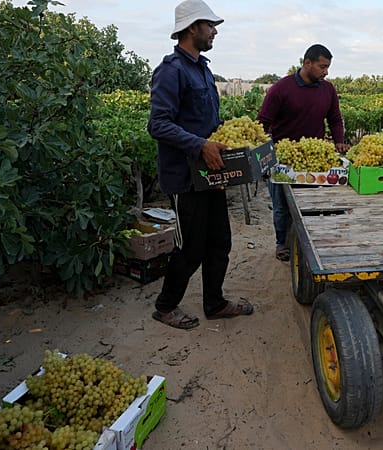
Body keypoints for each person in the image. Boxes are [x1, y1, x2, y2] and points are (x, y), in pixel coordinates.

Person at [146, 0, 253, 330]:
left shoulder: (203, 69)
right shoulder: (171, 71)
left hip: (210, 173)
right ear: (192, 28)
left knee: (219, 241)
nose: (215, 31)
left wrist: (226, 137)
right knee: (190, 248)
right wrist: (200, 145)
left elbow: (206, 121)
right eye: (210, 26)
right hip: (184, 177)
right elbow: (158, 124)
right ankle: (165, 307)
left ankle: (214, 303)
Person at [256, 44, 348, 261]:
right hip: (284, 159)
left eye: (328, 67)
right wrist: (261, 154)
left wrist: (339, 141)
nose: (326, 72)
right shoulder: (281, 89)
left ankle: (309, 244)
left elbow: (335, 119)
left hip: (313, 161)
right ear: (307, 63)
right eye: (322, 67)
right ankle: (282, 244)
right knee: (282, 206)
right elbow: (263, 123)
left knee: (312, 204)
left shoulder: (328, 90)